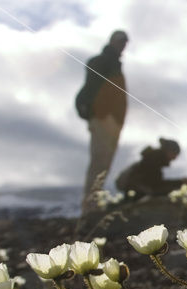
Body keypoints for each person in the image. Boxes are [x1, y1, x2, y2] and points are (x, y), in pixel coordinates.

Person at [79, 30, 129, 213]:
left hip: (114, 121)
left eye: (125, 42)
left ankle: (93, 203)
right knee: (99, 160)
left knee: (105, 163)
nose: (123, 45)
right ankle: (90, 206)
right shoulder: (100, 61)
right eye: (120, 41)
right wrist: (96, 113)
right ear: (112, 41)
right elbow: (90, 88)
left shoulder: (116, 65)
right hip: (103, 117)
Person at [115, 138, 187, 198]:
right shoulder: (154, 159)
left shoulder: (153, 158)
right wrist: (181, 182)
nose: (175, 158)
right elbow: (157, 185)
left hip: (134, 191)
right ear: (168, 151)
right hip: (136, 192)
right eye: (174, 154)